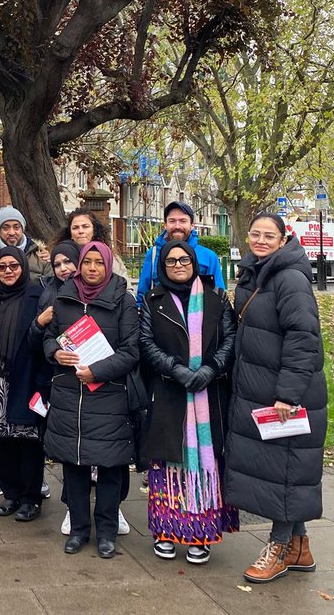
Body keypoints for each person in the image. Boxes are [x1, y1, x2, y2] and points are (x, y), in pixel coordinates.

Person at [223, 213, 327, 583]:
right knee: (284, 470)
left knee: (284, 469)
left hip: (285, 393)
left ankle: (278, 547)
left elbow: (303, 338)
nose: (261, 240)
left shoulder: (290, 278)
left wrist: (287, 394)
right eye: (256, 234)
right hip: (259, 386)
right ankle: (299, 547)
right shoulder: (256, 273)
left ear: (284, 240)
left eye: (270, 235)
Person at [139, 239, 239, 565]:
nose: (179, 265)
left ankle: (200, 535)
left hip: (208, 398)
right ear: (162, 266)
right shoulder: (152, 302)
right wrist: (177, 371)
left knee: (206, 466)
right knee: (167, 465)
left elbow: (229, 341)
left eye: (184, 259)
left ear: (194, 263)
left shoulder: (216, 301)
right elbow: (146, 343)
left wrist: (209, 370)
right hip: (169, 396)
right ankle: (166, 531)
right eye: (171, 261)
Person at [42, 241, 139, 560]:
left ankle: (107, 531)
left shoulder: (124, 301)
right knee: (74, 467)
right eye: (88, 262)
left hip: (108, 397)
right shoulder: (65, 297)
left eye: (99, 262)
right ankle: (80, 529)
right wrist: (55, 351)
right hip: (70, 395)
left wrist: (96, 372)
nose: (93, 268)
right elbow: (49, 337)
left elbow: (131, 352)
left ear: (108, 265)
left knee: (110, 468)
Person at [0, 247, 50, 521]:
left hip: (25, 377)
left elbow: (41, 335)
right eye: (2, 267)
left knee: (28, 439)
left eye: (14, 266)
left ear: (23, 267)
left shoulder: (35, 294)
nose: (8, 271)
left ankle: (30, 498)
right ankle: (11, 493)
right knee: (2, 439)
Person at [136, 201, 225, 310]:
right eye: (172, 221)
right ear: (165, 225)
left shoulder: (208, 257)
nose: (177, 226)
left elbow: (219, 297)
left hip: (199, 320)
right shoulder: (154, 254)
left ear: (192, 225)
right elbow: (143, 294)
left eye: (183, 221)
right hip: (161, 320)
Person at [0, 205, 49, 304]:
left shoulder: (40, 255)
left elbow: (50, 291)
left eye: (16, 227)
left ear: (22, 229)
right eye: (6, 228)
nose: (11, 232)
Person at [54, 208, 127, 278]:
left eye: (85, 227)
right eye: (75, 228)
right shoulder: (60, 257)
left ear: (94, 230)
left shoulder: (110, 257)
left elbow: (125, 287)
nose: (80, 231)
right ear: (70, 233)